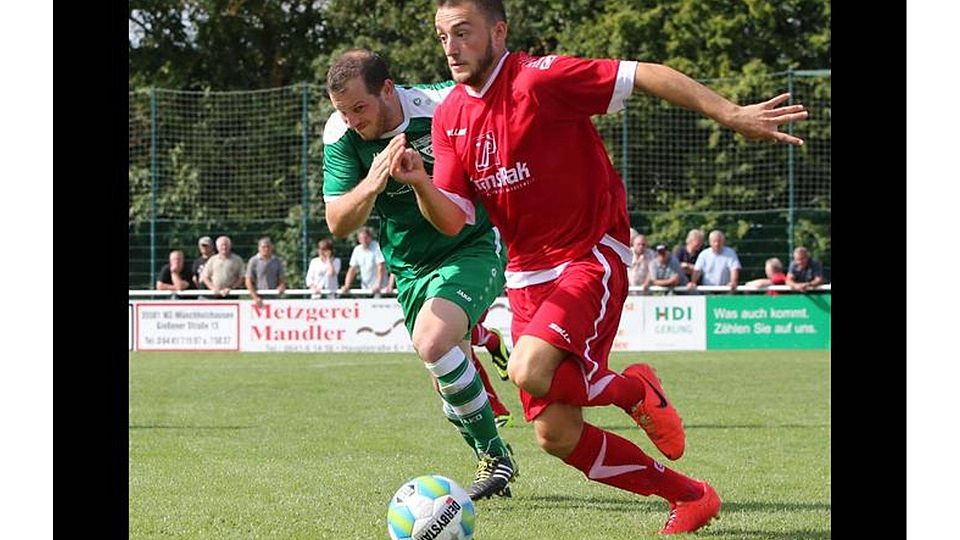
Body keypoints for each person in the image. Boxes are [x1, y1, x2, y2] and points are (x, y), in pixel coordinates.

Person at [388, 0, 806, 533]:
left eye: (463, 33)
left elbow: (645, 74)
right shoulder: (449, 116)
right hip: (526, 278)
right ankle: (691, 495)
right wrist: (421, 184)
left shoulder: (540, 80)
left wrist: (730, 112)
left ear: (498, 32)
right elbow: (453, 220)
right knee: (556, 435)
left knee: (526, 368)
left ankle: (633, 392)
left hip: (590, 255)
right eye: (442, 35)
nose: (450, 47)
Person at [322, 48, 516, 499]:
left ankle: (496, 459)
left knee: (433, 341)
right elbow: (338, 222)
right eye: (343, 111)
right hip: (410, 266)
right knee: (445, 373)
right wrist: (373, 181)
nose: (352, 120)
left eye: (359, 108)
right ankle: (491, 452)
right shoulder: (341, 135)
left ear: (388, 89)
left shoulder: (445, 105)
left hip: (471, 243)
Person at [338, 227, 387, 297]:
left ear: (370, 237)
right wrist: (346, 285)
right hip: (365, 289)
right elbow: (352, 269)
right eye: (361, 238)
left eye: (365, 238)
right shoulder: (357, 250)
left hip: (380, 289)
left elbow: (381, 267)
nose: (364, 240)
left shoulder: (377, 247)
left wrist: (378, 284)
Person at [245, 237, 287, 307]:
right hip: (259, 297)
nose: (266, 249)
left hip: (274, 297)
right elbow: (248, 280)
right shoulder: (253, 261)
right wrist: (255, 297)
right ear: (259, 248)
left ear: (271, 248)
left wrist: (281, 286)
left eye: (268, 247)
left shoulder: (277, 261)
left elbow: (282, 278)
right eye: (263, 247)